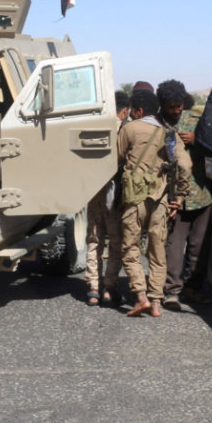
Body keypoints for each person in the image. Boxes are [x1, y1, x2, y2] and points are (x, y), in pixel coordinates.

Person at [104, 88, 191, 317]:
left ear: (138, 110)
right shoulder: (168, 133)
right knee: (157, 249)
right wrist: (180, 196)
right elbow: (185, 166)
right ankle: (155, 303)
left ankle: (140, 296)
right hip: (160, 198)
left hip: (133, 197)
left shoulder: (130, 128)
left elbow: (116, 159)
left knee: (130, 247)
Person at [162, 83, 212, 310]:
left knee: (198, 247)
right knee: (173, 245)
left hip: (201, 195)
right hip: (172, 197)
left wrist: (196, 140)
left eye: (178, 106)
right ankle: (172, 290)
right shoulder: (156, 126)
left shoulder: (195, 121)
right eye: (170, 107)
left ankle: (192, 288)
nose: (175, 111)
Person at [83, 89, 130, 305]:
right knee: (115, 242)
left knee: (94, 239)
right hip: (114, 194)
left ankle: (93, 288)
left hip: (93, 190)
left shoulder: (93, 126)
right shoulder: (125, 130)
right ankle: (109, 288)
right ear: (124, 111)